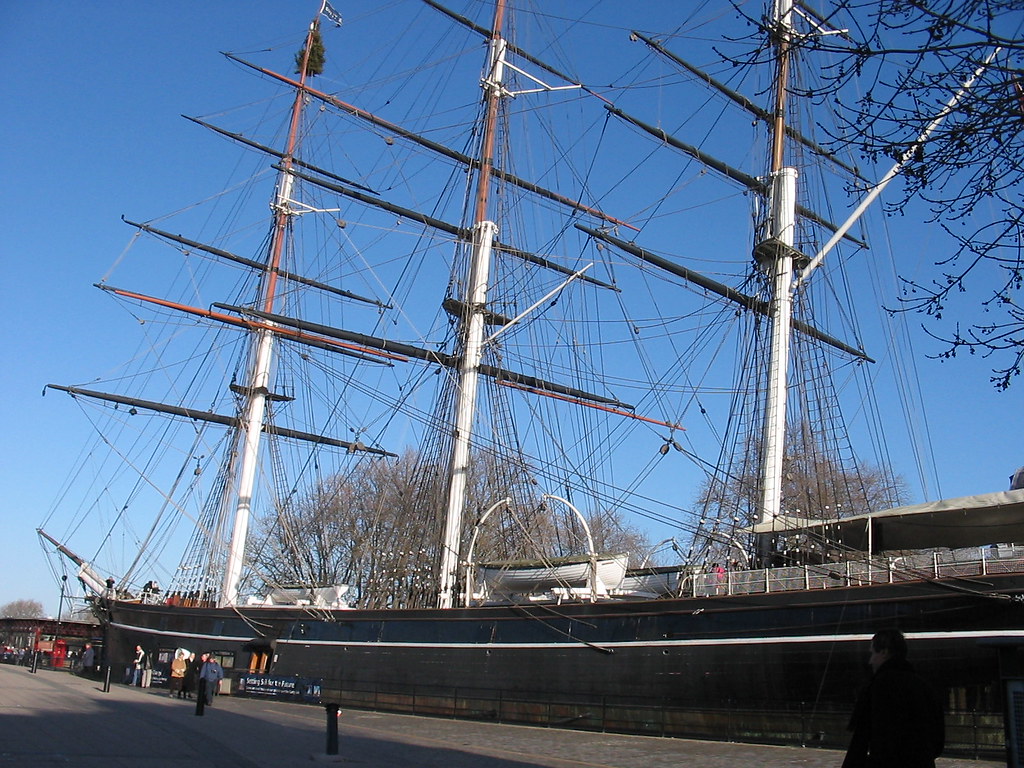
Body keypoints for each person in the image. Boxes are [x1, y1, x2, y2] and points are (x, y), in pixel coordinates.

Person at [843, 629, 944, 768]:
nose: (870, 661)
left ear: (884, 652)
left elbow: (861, 740)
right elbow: (938, 742)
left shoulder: (877, 686)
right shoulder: (925, 687)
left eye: (872, 653)